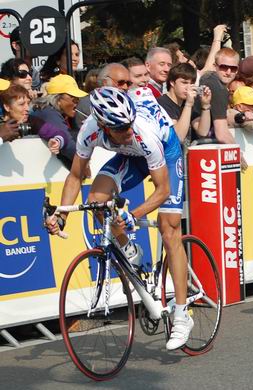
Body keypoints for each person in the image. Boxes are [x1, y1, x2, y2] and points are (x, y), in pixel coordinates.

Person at [45, 86, 193, 350]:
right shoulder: (89, 131)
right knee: (96, 201)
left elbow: (163, 190)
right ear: (102, 125)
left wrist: (133, 216)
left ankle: (182, 315)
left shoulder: (142, 133)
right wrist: (63, 214)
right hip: (129, 156)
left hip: (165, 151)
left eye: (128, 125)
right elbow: (77, 176)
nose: (127, 132)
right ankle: (128, 247)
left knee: (169, 229)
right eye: (120, 129)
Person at [31, 74, 87, 169]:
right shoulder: (48, 112)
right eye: (73, 97)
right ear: (58, 99)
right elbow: (68, 144)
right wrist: (84, 164)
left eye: (78, 98)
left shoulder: (55, 111)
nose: (77, 101)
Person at [1, 84, 70, 154]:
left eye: (28, 103)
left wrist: (57, 142)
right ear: (7, 107)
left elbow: (59, 134)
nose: (27, 108)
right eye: (21, 104)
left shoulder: (32, 121)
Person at [156, 63, 212, 143]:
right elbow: (178, 137)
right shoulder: (161, 103)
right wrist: (188, 105)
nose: (188, 87)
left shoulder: (187, 102)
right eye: (184, 83)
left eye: (191, 83)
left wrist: (206, 105)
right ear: (172, 82)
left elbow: (203, 132)